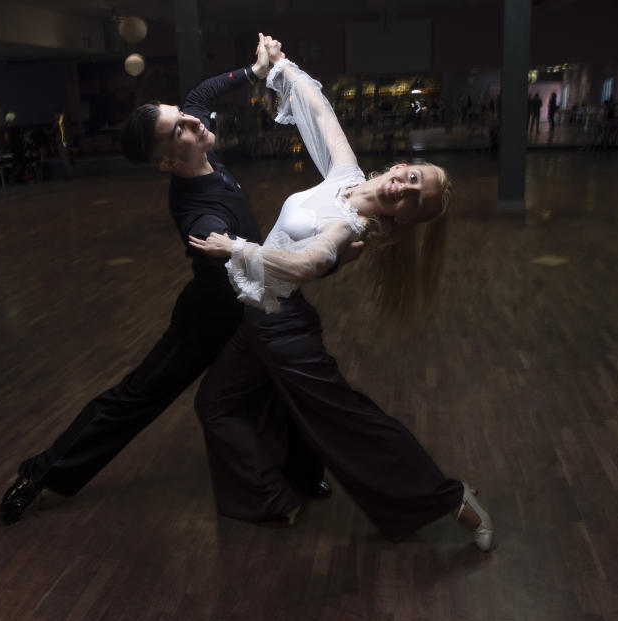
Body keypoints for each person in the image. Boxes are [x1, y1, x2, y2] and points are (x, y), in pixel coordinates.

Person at [0, 34, 329, 526]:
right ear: (170, 162)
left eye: (181, 115)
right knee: (138, 398)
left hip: (246, 306)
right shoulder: (201, 217)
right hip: (210, 319)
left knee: (286, 379)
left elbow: (203, 92)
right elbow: (244, 263)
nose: (194, 121)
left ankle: (302, 473)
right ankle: (42, 473)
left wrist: (254, 73)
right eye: (180, 129)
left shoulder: (198, 142)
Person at [189, 41, 494, 551]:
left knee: (350, 426)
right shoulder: (345, 175)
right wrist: (279, 65)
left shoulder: (352, 229)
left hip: (283, 332)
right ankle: (275, 498)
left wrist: (237, 248)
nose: (407, 189)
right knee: (216, 403)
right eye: (413, 179)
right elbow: (318, 110)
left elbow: (306, 263)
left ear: (406, 218)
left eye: (416, 201)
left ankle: (453, 500)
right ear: (401, 166)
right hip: (260, 323)